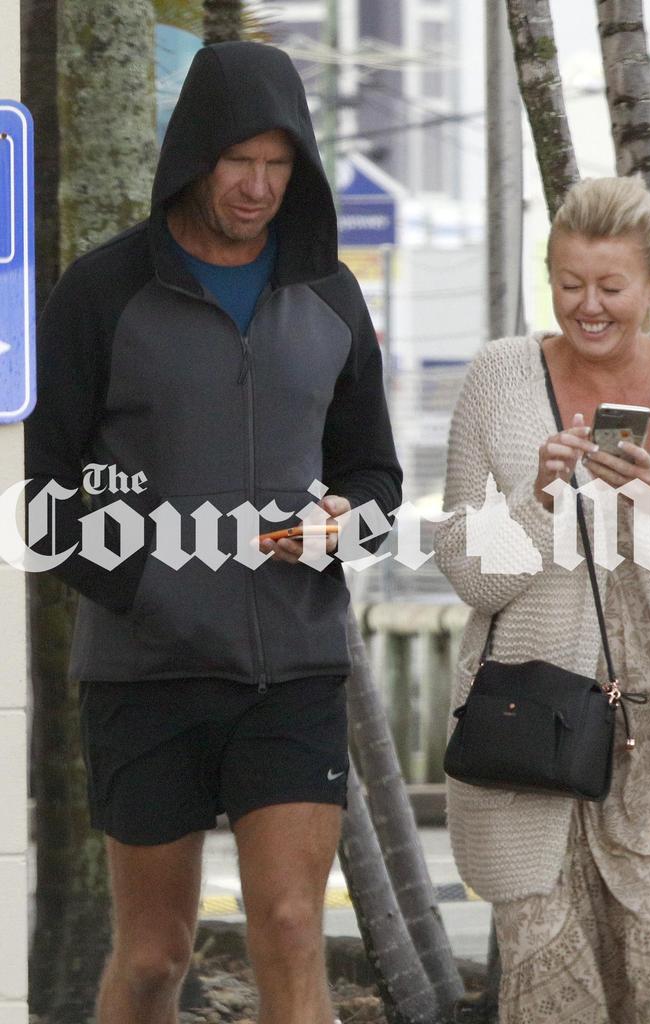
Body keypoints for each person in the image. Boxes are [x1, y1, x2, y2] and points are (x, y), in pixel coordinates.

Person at [25, 41, 402, 1024]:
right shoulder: (101, 293)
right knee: (155, 956)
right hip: (144, 671)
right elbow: (45, 496)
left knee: (287, 925)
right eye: (240, 161)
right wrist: (157, 586)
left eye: (280, 166)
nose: (259, 186)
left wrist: (341, 525)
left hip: (293, 665)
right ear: (194, 155)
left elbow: (376, 480)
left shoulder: (330, 296)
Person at [434, 176, 650, 1023]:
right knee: (556, 997)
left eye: (611, 287)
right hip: (532, 730)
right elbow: (471, 571)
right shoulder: (498, 379)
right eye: (568, 281)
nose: (588, 307)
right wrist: (540, 499)